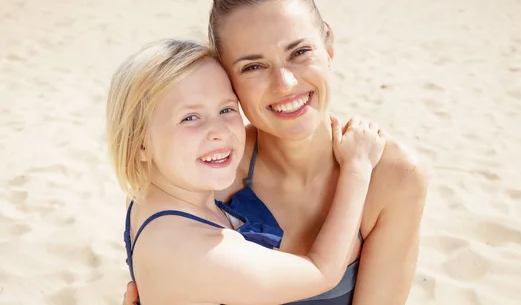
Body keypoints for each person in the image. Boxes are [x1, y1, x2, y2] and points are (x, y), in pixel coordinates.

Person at [123, 0, 430, 304]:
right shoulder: (200, 170)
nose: (285, 84)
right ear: (227, 80)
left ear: (328, 51)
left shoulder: (392, 175)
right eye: (253, 66)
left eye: (300, 53)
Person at [107, 39, 386, 304]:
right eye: (190, 117)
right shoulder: (197, 250)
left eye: (227, 109)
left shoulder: (143, 196)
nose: (220, 131)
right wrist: (357, 168)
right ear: (139, 143)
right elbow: (321, 271)